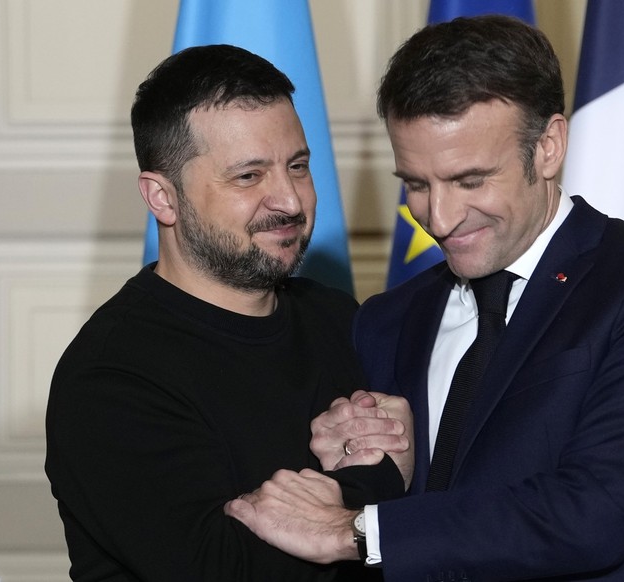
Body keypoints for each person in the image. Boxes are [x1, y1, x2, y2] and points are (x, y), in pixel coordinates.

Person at [225, 15, 624, 582]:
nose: (438, 219)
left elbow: (601, 510)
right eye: (416, 184)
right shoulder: (387, 320)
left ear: (548, 146)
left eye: (469, 180)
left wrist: (354, 530)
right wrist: (355, 458)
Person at [44, 44, 408, 581]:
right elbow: (222, 568)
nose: (289, 199)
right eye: (248, 176)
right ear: (162, 198)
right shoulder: (111, 378)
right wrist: (379, 479)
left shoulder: (336, 317)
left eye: (298, 166)